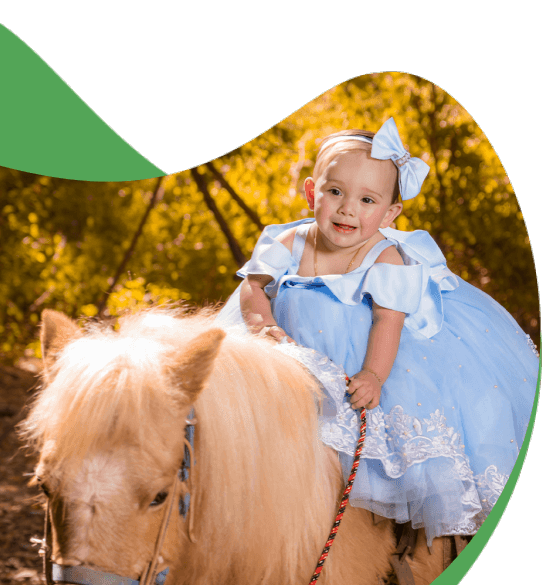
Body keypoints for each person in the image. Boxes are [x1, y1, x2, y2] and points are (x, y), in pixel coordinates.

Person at [215, 117, 539, 544]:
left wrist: (373, 374)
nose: (348, 208)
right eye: (336, 193)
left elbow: (388, 320)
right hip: (289, 356)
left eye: (367, 200)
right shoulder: (289, 242)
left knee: (371, 448)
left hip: (361, 358)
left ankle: (385, 544)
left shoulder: (385, 256)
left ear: (389, 213)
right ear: (313, 192)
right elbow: (252, 289)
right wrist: (265, 329)